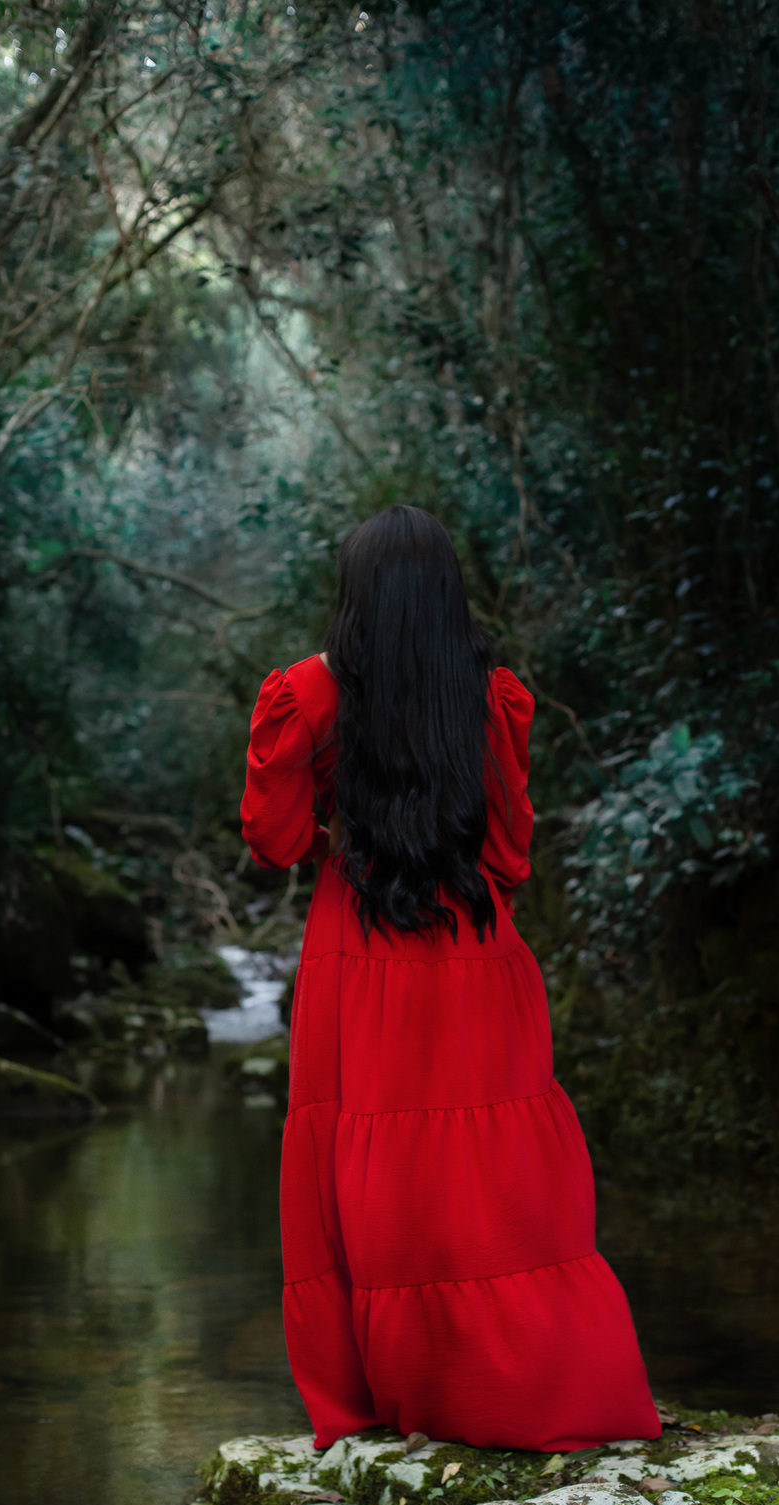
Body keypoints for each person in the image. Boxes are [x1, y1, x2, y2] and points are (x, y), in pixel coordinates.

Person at [240, 504, 659, 1452]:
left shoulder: (308, 694)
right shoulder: (490, 693)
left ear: (352, 597)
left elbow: (269, 840)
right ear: (445, 596)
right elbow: (509, 854)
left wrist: (334, 837)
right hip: (476, 951)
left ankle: (387, 1399)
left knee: (366, 1171)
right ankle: (534, 1392)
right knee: (494, 1181)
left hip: (358, 952)